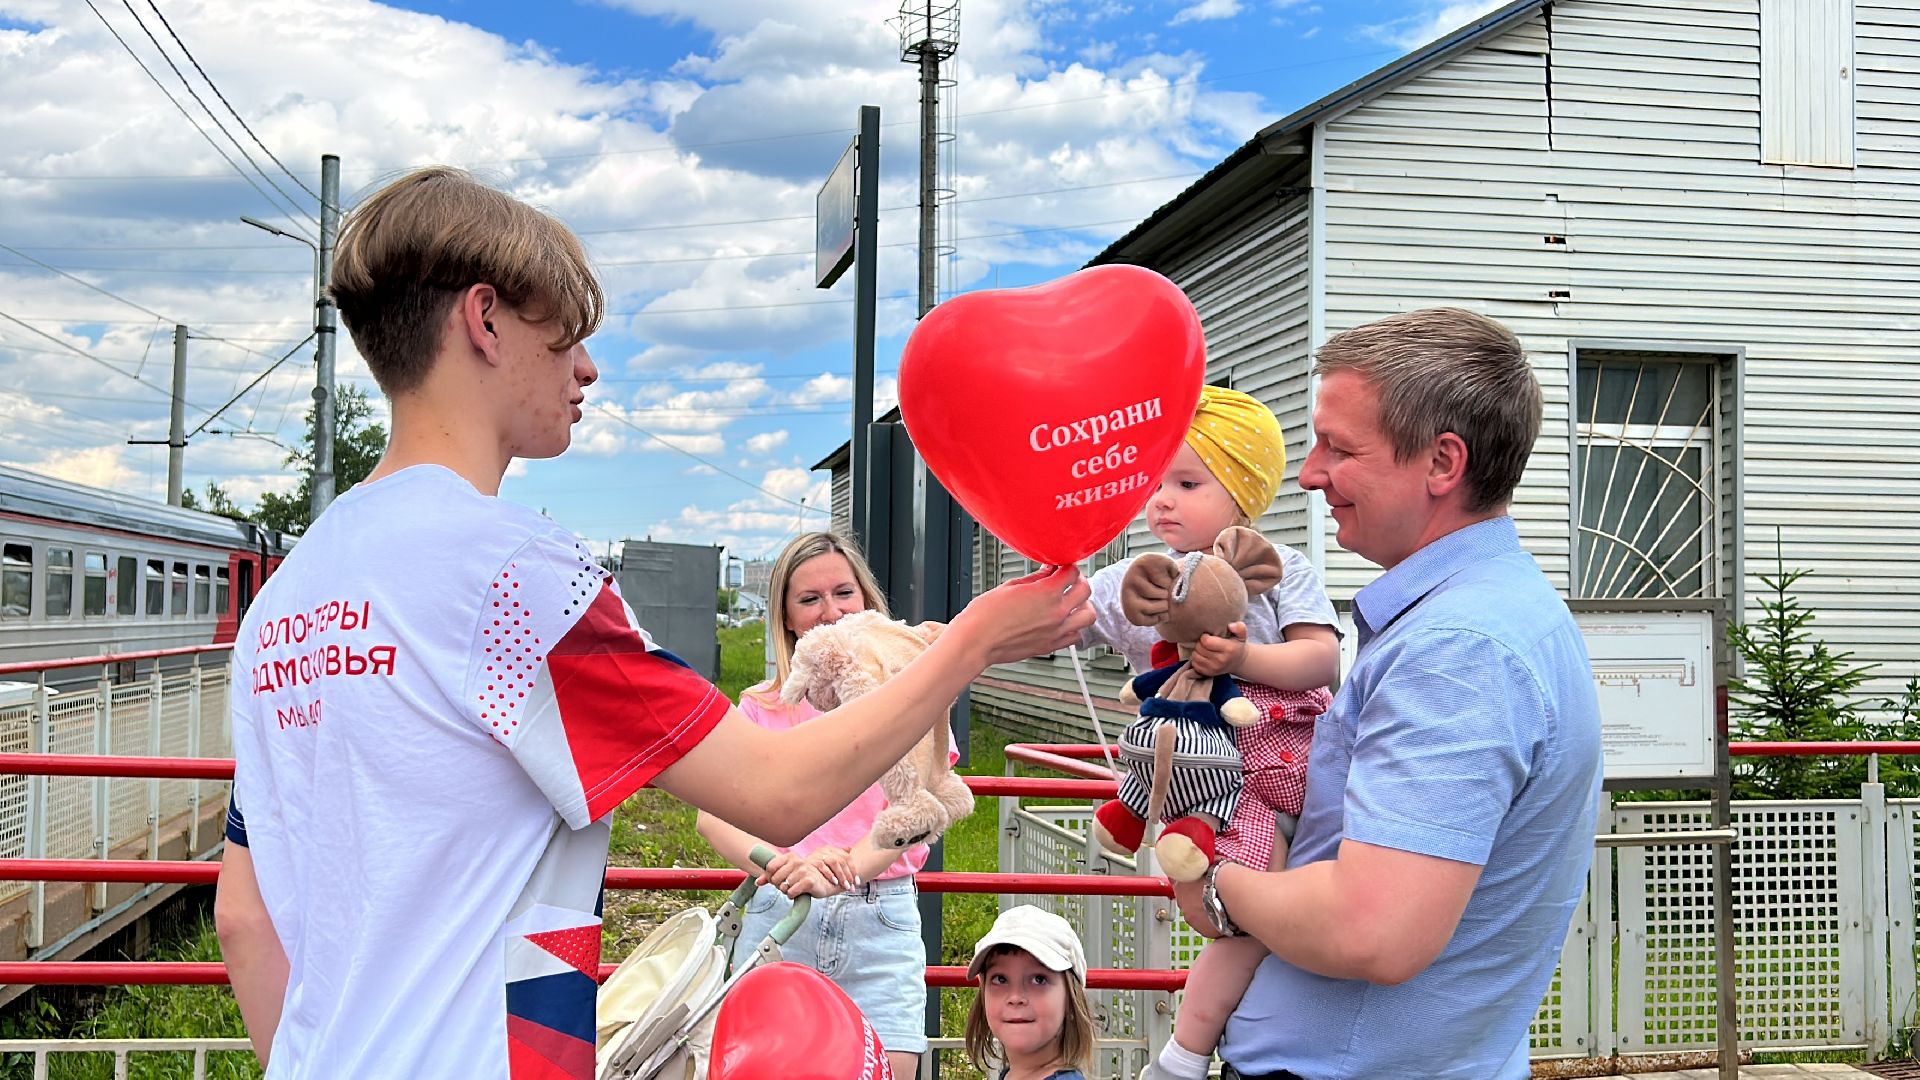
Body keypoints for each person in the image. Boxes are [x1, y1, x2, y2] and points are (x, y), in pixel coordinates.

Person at [210, 166, 1093, 1080]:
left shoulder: (287, 597)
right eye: (566, 336)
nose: (586, 368)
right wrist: (972, 641)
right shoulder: (513, 575)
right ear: (484, 320)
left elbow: (244, 919)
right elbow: (777, 792)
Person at [1177, 308, 1604, 1080]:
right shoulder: (1493, 614)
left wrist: (1212, 877)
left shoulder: (1457, 649)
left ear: (1442, 463)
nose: (1309, 474)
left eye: (1338, 447)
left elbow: (1372, 930)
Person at [1078, 386, 1339, 1080]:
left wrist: (1245, 659)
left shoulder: (1282, 569)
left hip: (1281, 774)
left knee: (1253, 926)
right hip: (1204, 781)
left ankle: (1189, 1051)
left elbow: (1322, 657)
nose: (1160, 499)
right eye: (1154, 481)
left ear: (1241, 493)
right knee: (1243, 925)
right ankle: (1196, 1050)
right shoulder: (1130, 581)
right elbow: (1060, 617)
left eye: (1186, 483)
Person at [694, 530, 948, 1079]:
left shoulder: (910, 698)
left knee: (891, 1067)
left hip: (879, 913)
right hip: (780, 914)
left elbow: (924, 803)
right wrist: (774, 861)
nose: (829, 612)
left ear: (868, 601)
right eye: (808, 600)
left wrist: (849, 866)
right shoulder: (762, 707)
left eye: (843, 593)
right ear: (786, 618)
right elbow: (710, 813)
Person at [963, 905, 1098, 1080]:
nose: (1015, 997)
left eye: (1039, 980)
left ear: (1071, 1000)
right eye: (1000, 979)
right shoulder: (1012, 1074)